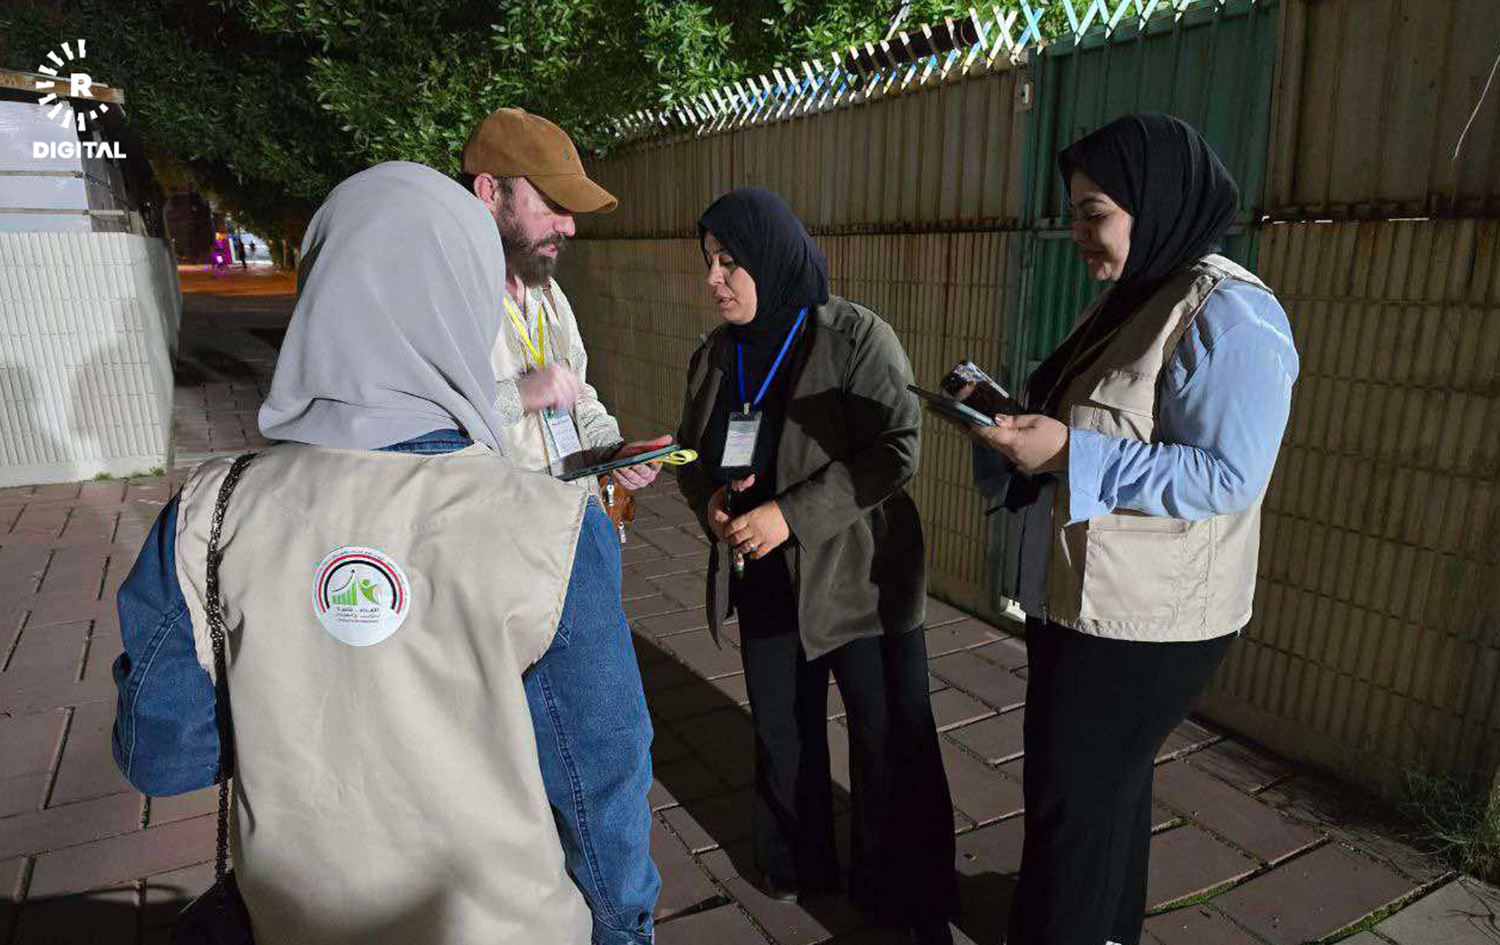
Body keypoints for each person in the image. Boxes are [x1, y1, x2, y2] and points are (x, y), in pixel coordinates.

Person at [110, 161, 659, 945]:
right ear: (468, 304)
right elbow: (602, 775)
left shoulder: (209, 510)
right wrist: (624, 927)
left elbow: (162, 757)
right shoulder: (556, 527)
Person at [952, 115, 1300, 945]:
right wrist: (1012, 423)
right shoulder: (1138, 294)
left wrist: (1068, 451)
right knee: (1104, 791)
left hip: (1149, 622)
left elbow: (1228, 477)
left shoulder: (1232, 317)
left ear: (1159, 200)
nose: (1077, 231)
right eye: (1073, 212)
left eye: (1094, 212)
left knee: (1073, 803)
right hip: (1088, 600)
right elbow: (1107, 421)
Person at [675, 187, 959, 945]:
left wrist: (789, 515)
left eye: (730, 261)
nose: (714, 278)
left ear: (772, 258)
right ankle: (795, 861)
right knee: (782, 729)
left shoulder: (854, 336)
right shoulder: (715, 355)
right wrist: (711, 504)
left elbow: (897, 447)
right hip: (764, 580)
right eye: (708, 262)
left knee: (885, 734)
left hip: (859, 579)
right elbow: (691, 456)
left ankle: (899, 890)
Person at [460, 107, 672, 493]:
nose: (569, 226)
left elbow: (580, 397)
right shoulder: (447, 295)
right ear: (490, 192)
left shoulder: (548, 293)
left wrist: (613, 451)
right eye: (553, 203)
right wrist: (522, 395)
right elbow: (429, 418)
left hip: (572, 514)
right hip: (502, 523)